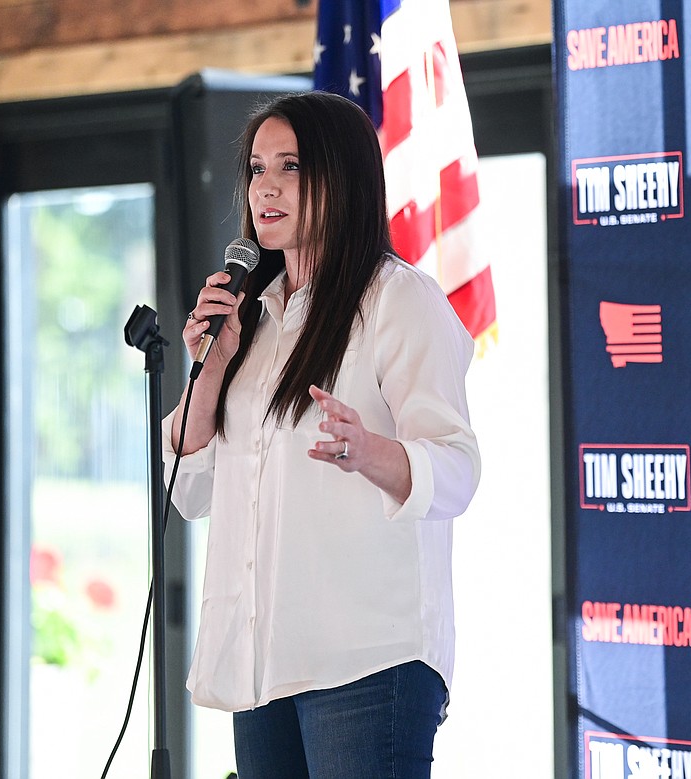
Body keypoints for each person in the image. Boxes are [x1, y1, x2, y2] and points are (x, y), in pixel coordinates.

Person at [163, 91, 480, 778]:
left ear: (342, 177)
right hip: (263, 662)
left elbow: (457, 468)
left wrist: (371, 452)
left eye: (290, 167)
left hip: (367, 661)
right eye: (255, 168)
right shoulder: (254, 320)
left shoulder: (399, 300)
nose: (265, 186)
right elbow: (189, 491)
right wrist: (210, 372)